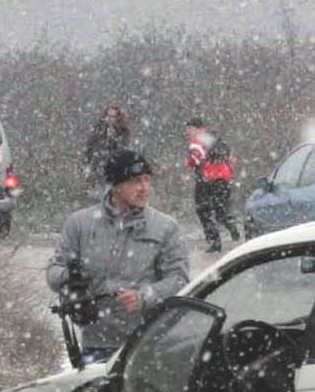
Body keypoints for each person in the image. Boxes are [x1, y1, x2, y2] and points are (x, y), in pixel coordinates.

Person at [46, 147, 191, 364]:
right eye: (135, 181)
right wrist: (73, 278)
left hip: (148, 343)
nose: (144, 188)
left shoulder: (165, 227)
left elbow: (180, 281)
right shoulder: (80, 224)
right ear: (115, 186)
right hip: (96, 343)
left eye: (147, 180)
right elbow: (53, 271)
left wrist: (144, 296)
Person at [184, 117, 239, 254]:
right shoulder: (216, 138)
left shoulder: (196, 140)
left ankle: (215, 242)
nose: (188, 131)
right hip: (223, 179)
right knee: (221, 210)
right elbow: (231, 159)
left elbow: (197, 159)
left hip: (206, 179)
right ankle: (231, 225)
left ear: (197, 128)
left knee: (203, 211)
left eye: (189, 128)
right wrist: (226, 172)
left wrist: (193, 163)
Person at [81, 105, 132, 199]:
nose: (110, 119)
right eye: (108, 116)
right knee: (98, 198)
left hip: (114, 173)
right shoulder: (98, 130)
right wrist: (87, 164)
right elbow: (89, 147)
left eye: (113, 116)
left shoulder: (122, 132)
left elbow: (123, 150)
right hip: (98, 172)